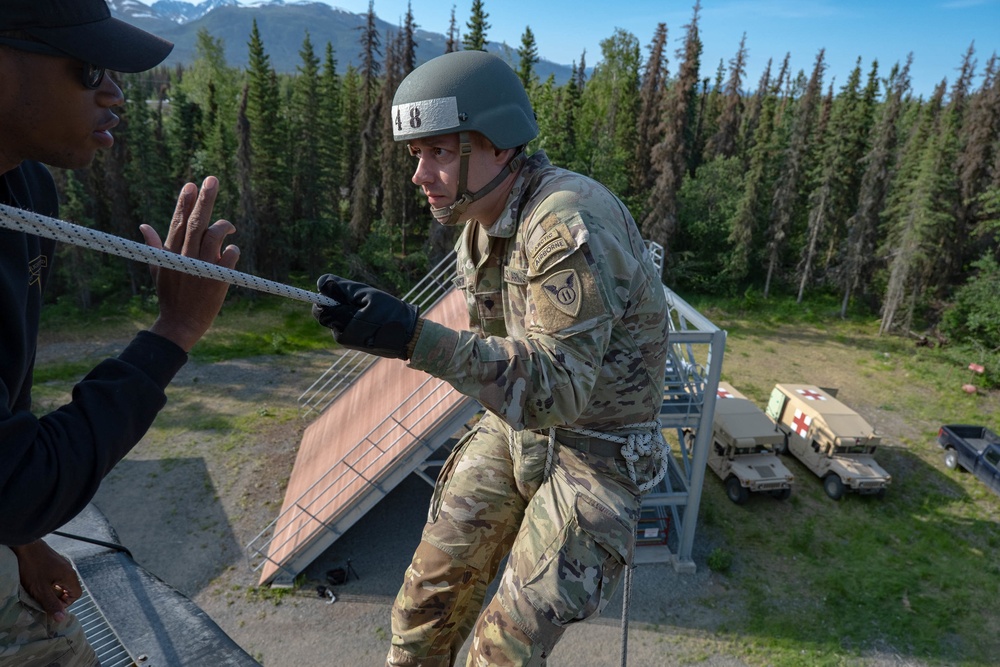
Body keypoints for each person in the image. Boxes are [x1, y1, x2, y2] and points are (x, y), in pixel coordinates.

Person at [312, 50, 670, 666]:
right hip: (516, 433)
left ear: (500, 146)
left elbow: (557, 389)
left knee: (501, 652)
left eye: (442, 153)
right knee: (423, 610)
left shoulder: (565, 223)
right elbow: (505, 359)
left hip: (595, 455)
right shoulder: (480, 227)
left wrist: (413, 339)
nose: (421, 175)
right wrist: (402, 333)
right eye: (416, 155)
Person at [0, 1, 239, 665]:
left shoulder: (24, 195)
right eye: (91, 68)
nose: (115, 92)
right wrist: (176, 329)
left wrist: (22, 538)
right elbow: (19, 481)